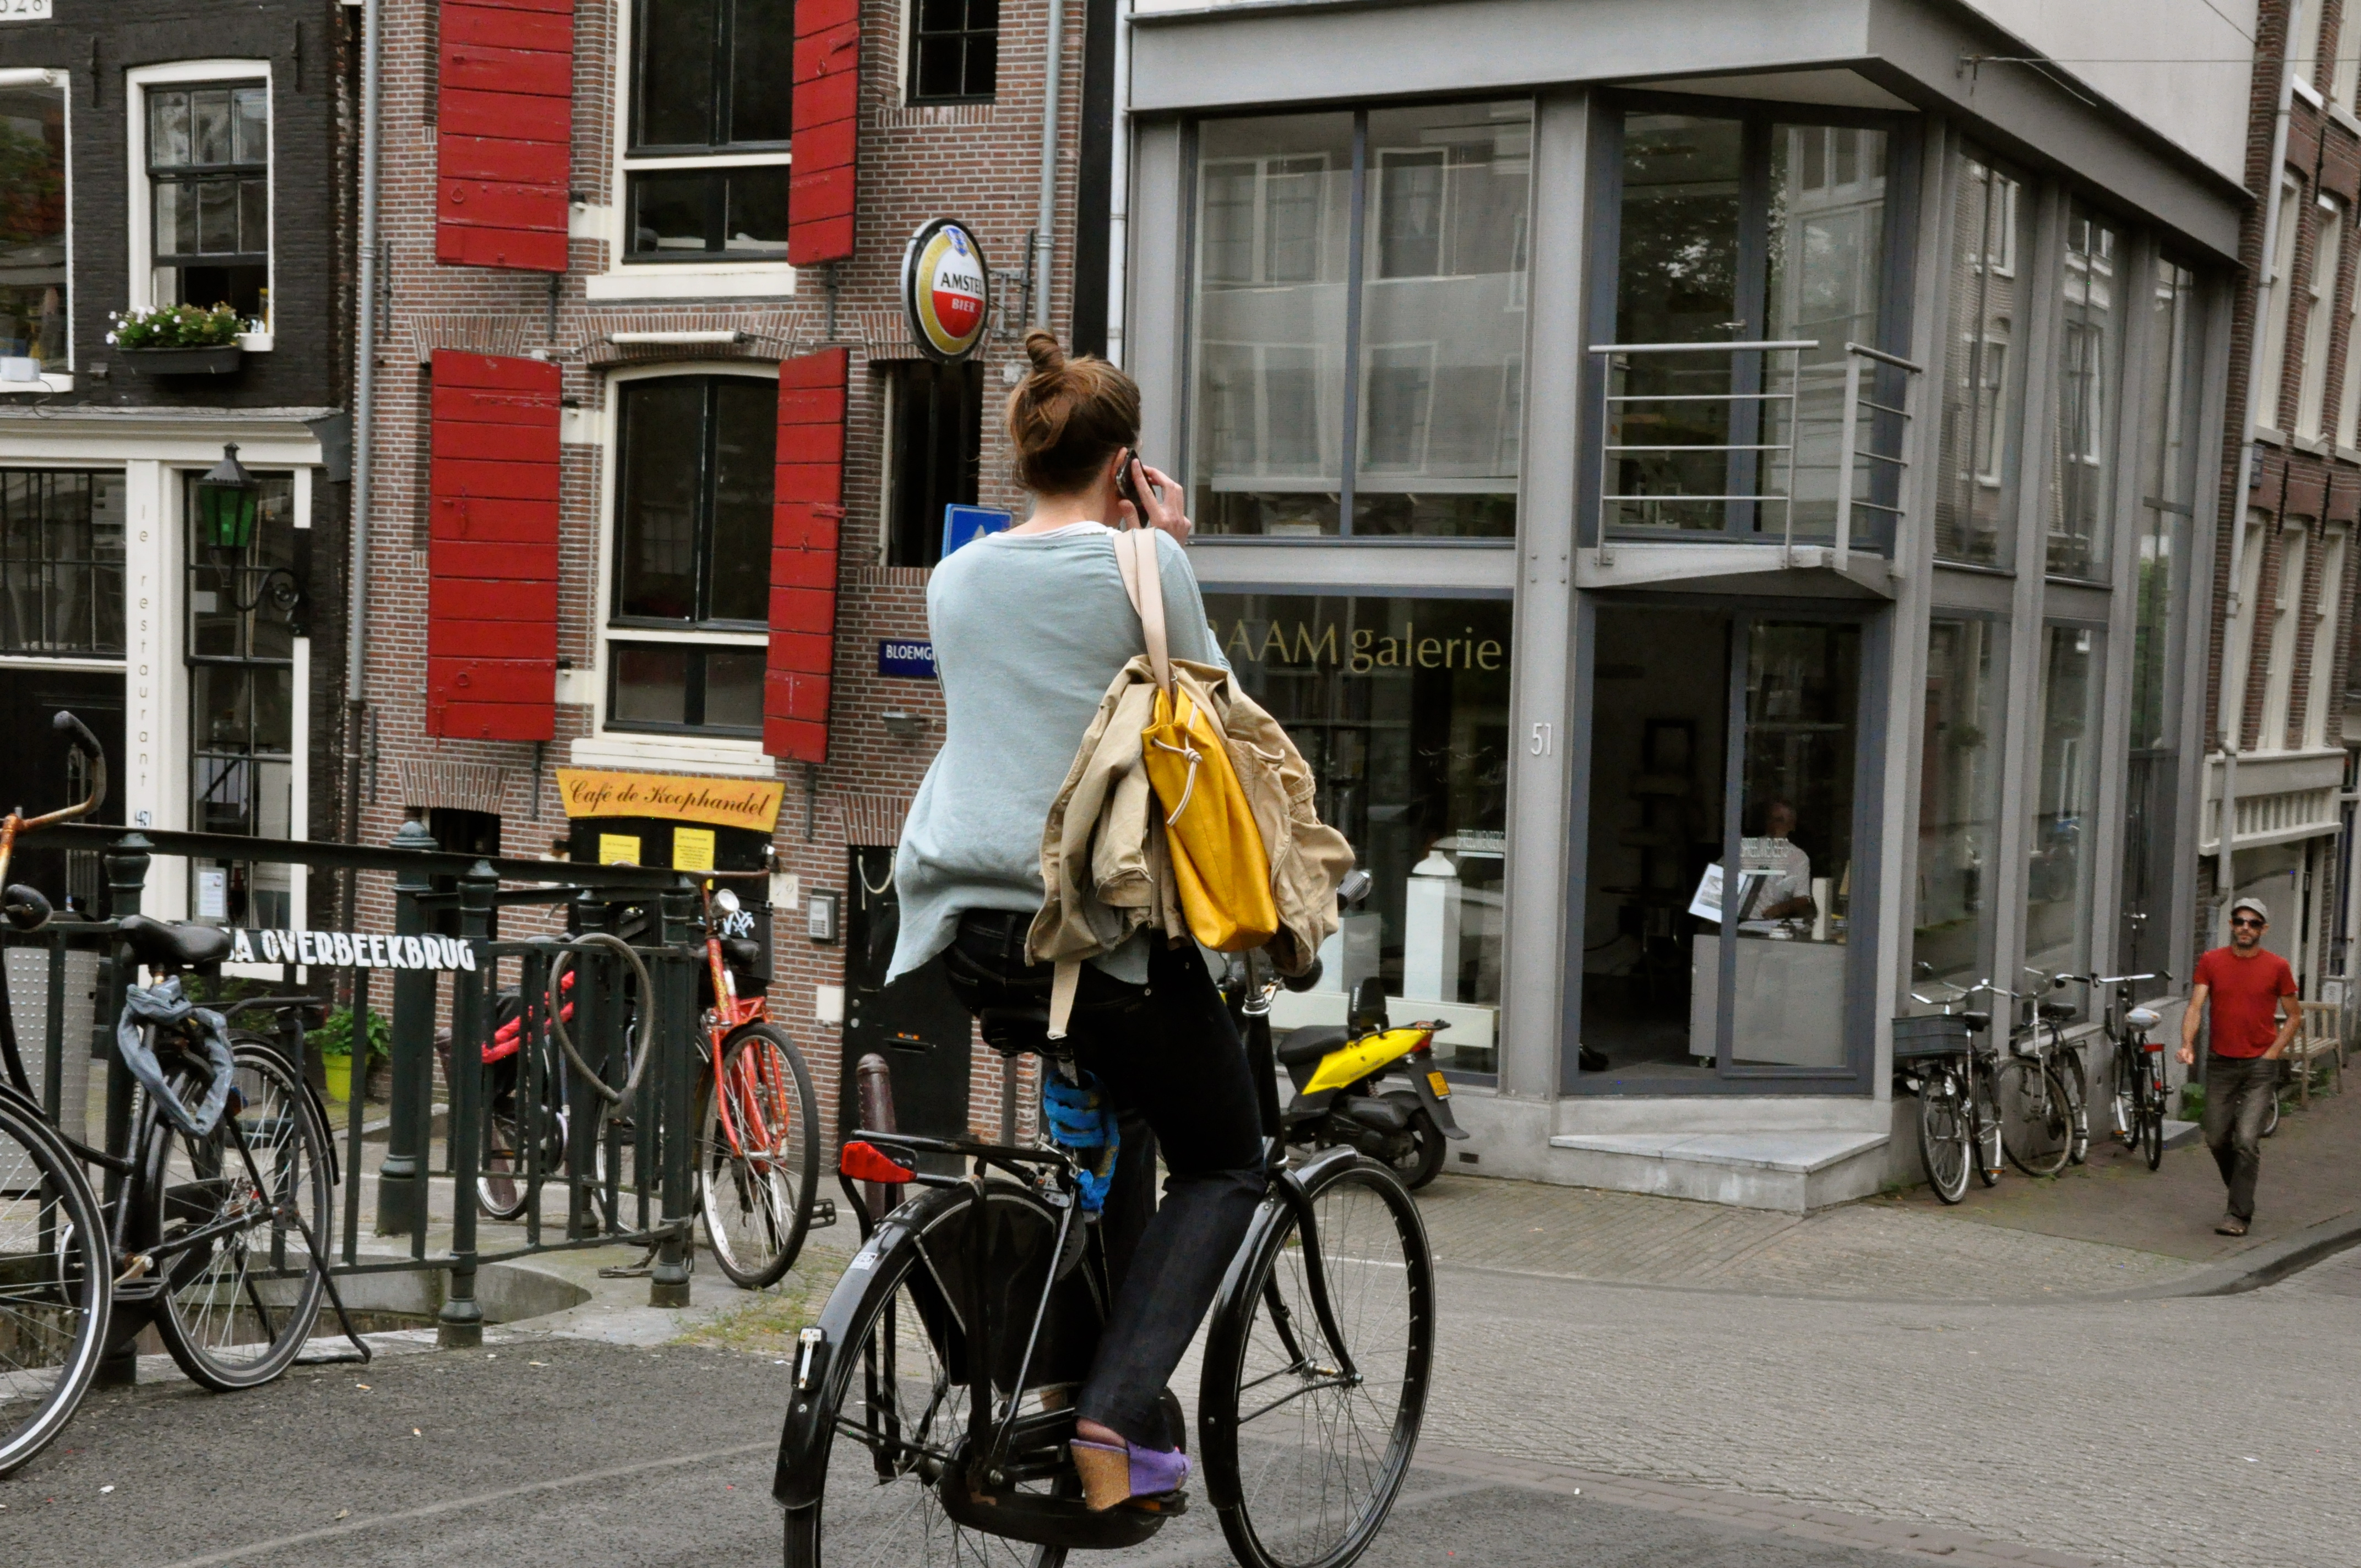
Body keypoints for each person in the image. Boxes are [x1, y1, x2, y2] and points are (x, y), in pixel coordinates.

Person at [886, 329, 1261, 1512]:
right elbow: (1213, 723)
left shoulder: (955, 578)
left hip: (967, 933)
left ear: (1025, 456)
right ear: (1124, 465)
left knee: (1119, 1119)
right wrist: (1166, 549)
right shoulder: (1146, 563)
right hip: (1094, 936)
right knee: (1226, 1157)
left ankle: (1064, 1389)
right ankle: (1113, 1415)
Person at [2180, 896, 2299, 1237]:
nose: (2246, 928)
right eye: (2240, 921)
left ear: (2264, 929)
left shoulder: (2277, 967)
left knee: (2246, 1139)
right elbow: (2195, 1006)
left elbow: (2294, 1016)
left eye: (2254, 923)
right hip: (2221, 1062)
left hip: (2260, 1065)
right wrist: (2187, 1044)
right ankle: (2241, 1194)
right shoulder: (2211, 961)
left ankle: (2238, 1215)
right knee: (2217, 1137)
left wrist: (2273, 1052)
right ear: (2232, 925)